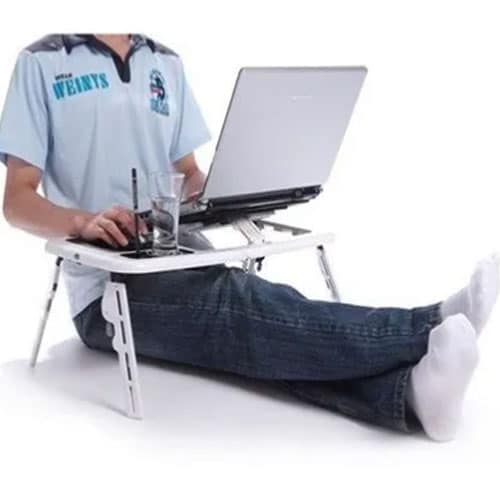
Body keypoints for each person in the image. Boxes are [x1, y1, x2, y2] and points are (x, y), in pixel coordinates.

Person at [1, 34, 498, 442]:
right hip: (106, 289)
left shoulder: (164, 61)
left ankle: (410, 395)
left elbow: (188, 173)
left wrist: (229, 194)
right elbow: (16, 200)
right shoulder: (41, 62)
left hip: (180, 257)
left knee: (257, 340)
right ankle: (428, 324)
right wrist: (82, 222)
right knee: (239, 304)